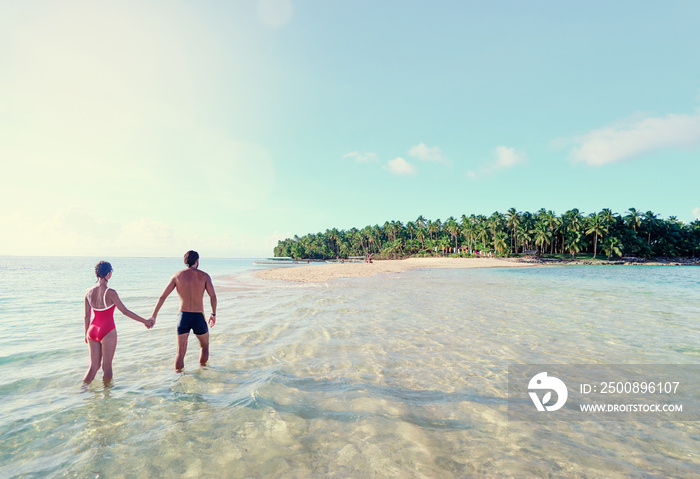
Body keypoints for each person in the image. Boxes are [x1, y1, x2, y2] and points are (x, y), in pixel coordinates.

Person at [83, 261, 153, 386]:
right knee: (107, 367)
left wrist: (85, 334)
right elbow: (125, 311)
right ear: (109, 274)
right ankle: (107, 398)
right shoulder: (110, 293)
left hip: (92, 330)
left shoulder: (88, 292)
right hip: (107, 330)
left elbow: (86, 316)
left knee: (94, 366)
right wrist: (145, 321)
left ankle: (82, 391)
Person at [150, 251, 217, 371]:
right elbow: (213, 297)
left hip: (183, 316)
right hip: (198, 316)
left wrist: (154, 316)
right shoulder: (204, 276)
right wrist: (213, 314)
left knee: (180, 353)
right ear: (197, 261)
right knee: (204, 347)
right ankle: (202, 372)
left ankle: (179, 380)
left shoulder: (177, 276)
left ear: (186, 261)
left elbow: (162, 297)